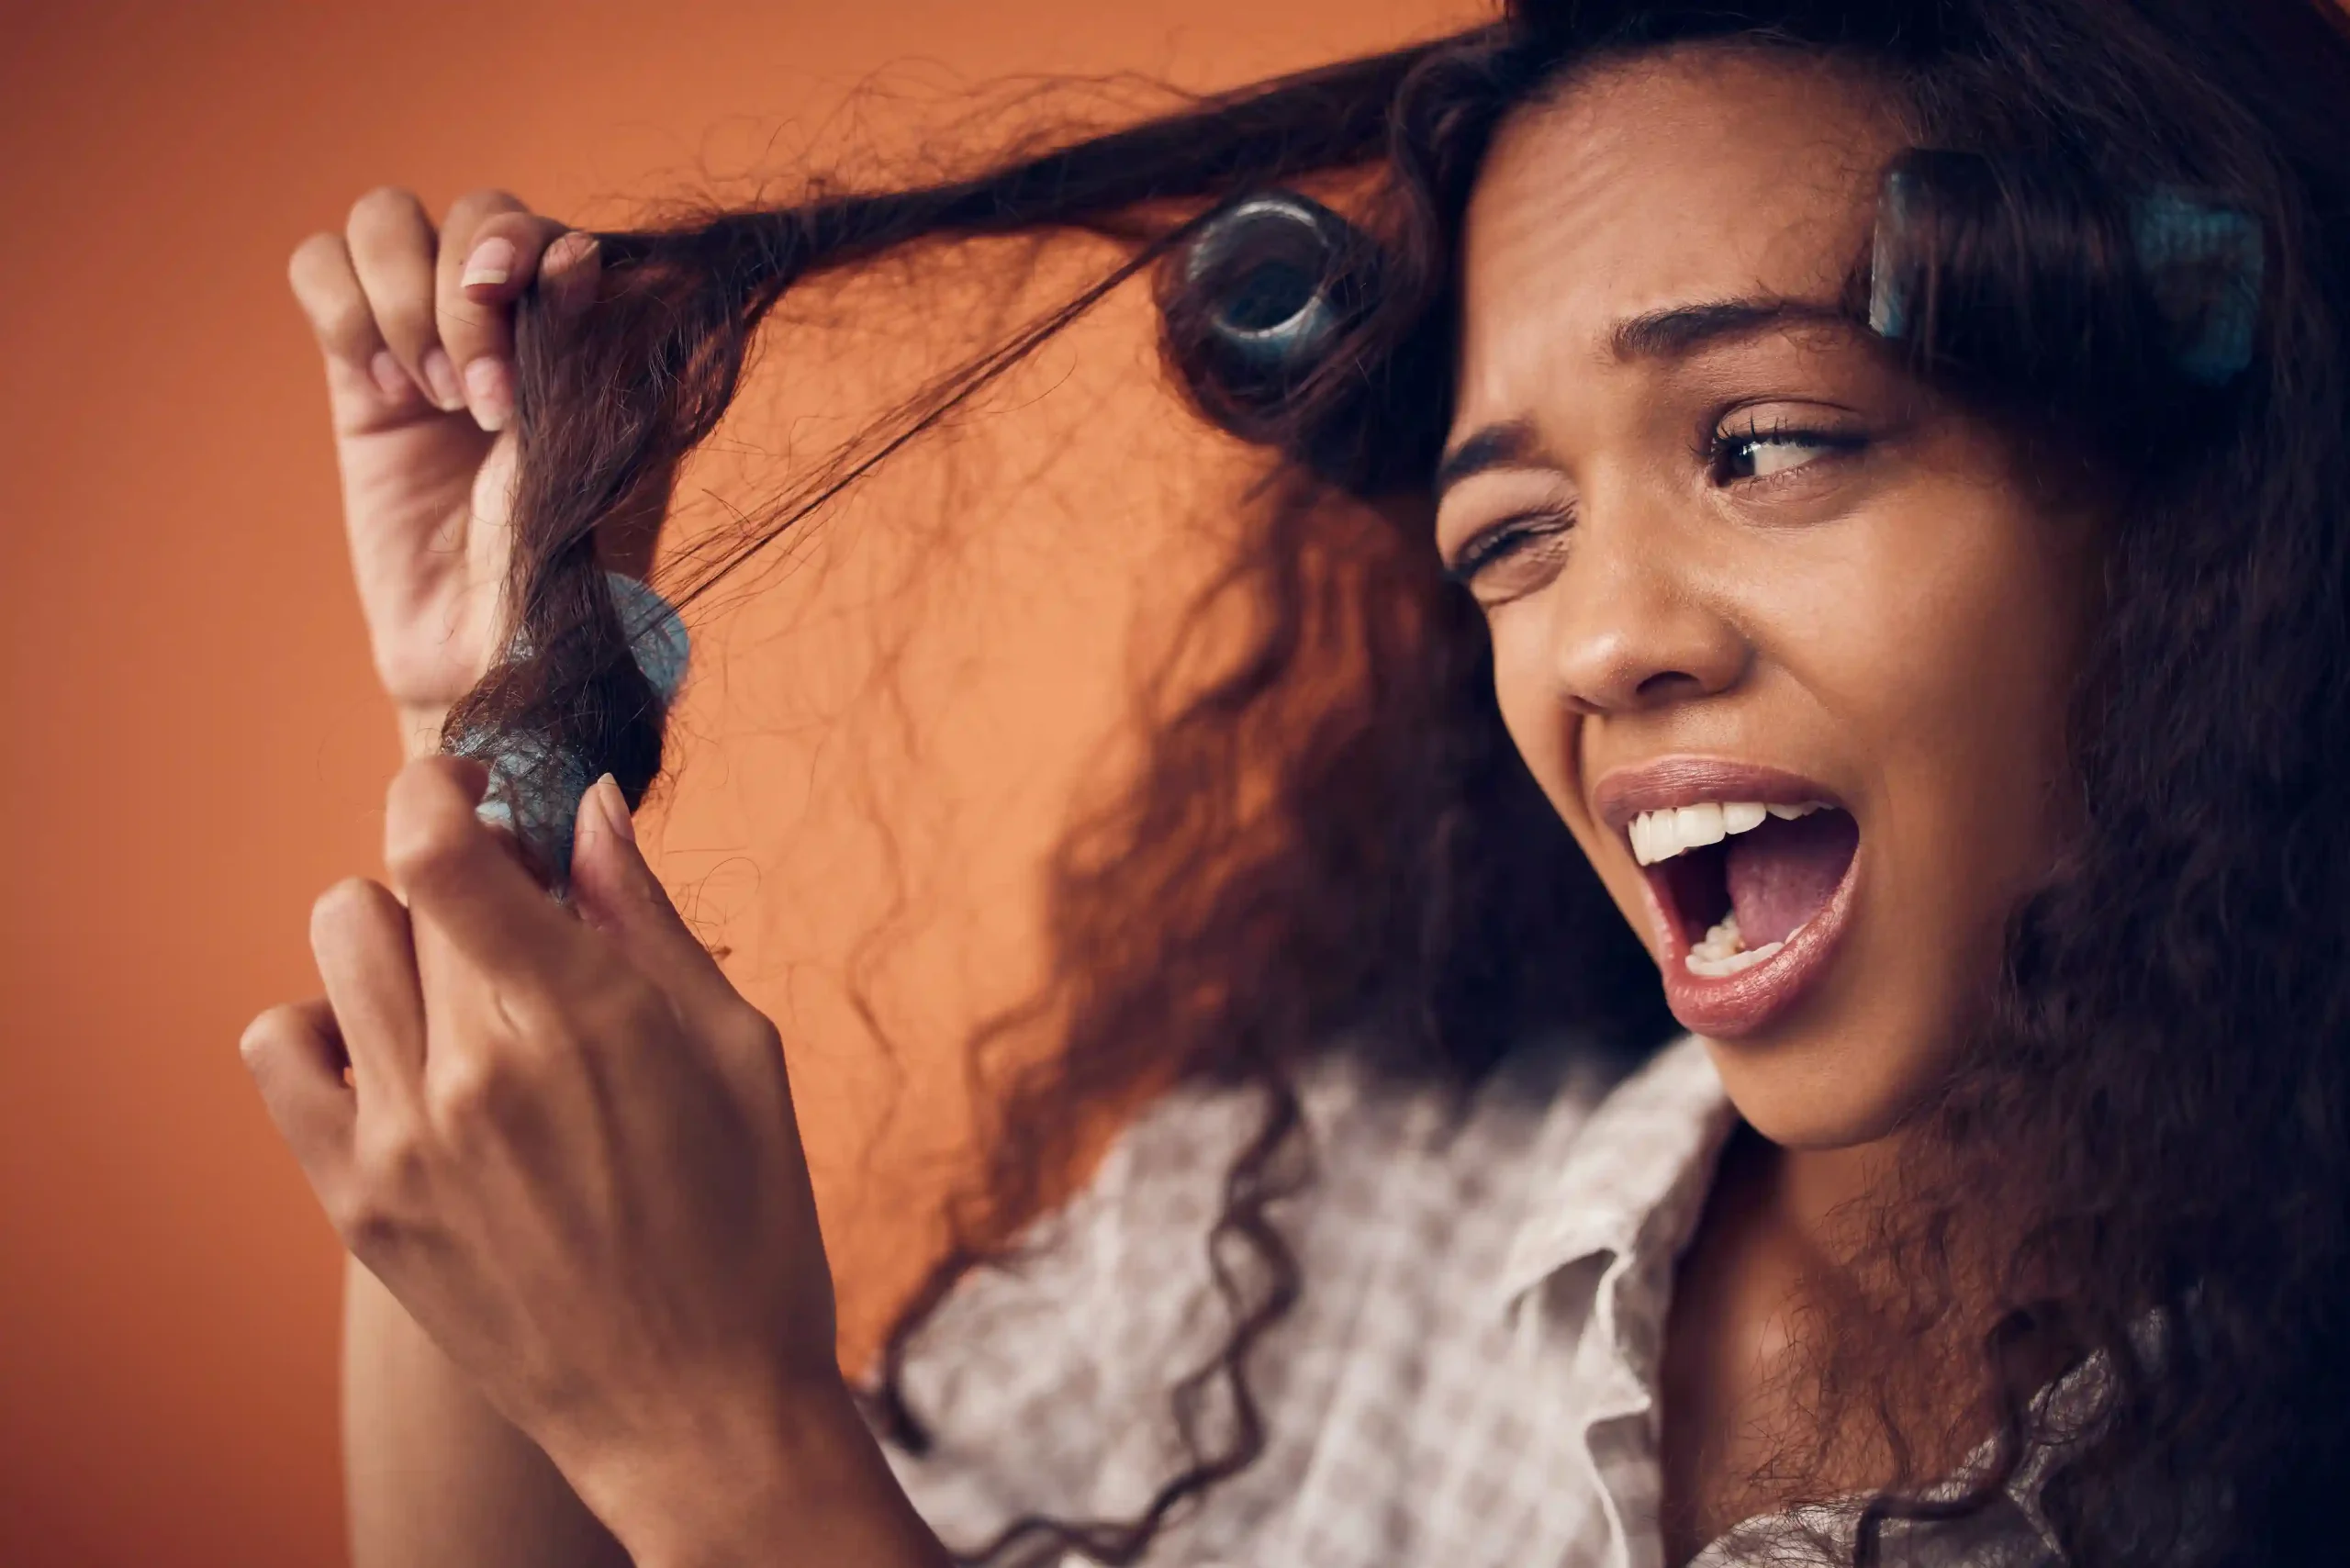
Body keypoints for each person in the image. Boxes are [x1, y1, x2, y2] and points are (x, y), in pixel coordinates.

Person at [243, 1, 2350, 1564]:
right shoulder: (1321, 1211)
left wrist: (739, 1454)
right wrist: (514, 696)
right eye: (1507, 535)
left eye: (1766, 440)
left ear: (2203, 529)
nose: (1604, 638)